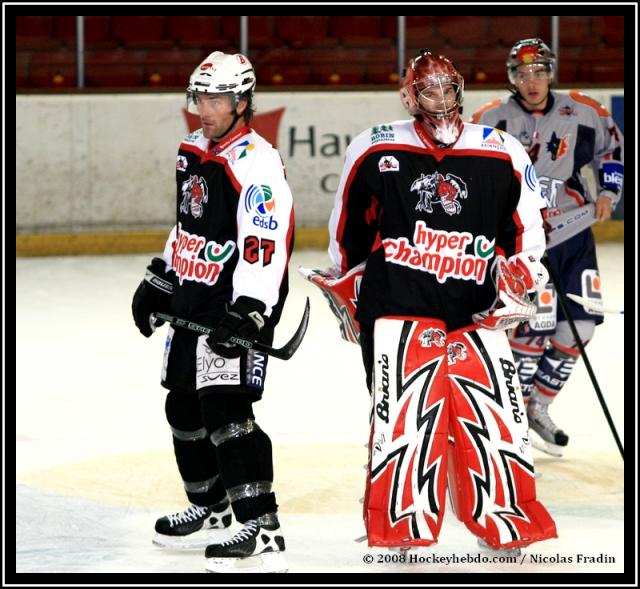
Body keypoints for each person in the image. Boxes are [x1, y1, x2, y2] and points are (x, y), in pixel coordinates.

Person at [325, 49, 557, 550]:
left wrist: (523, 274)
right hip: (399, 304)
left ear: (460, 91)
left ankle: (504, 522)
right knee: (403, 421)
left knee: (495, 419)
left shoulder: (500, 149)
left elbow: (526, 229)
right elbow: (349, 228)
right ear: (410, 96)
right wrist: (347, 284)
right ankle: (401, 528)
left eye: (448, 88)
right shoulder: (373, 147)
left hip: (476, 308)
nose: (441, 99)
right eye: (429, 90)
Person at [131, 51, 293, 574]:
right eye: (200, 96)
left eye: (217, 98)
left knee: (228, 414)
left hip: (234, 305)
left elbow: (265, 244)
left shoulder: (257, 162)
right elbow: (188, 223)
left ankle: (263, 528)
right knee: (183, 408)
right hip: (193, 299)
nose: (205, 107)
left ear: (242, 102)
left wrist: (250, 310)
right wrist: (161, 279)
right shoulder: (192, 148)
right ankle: (213, 509)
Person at [471, 38, 624, 457]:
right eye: (522, 74)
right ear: (511, 78)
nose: (532, 81)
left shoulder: (585, 110)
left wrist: (610, 191)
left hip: (574, 233)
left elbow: (613, 152)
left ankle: (539, 404)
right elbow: (474, 174)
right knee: (532, 329)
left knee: (583, 328)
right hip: (524, 242)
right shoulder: (491, 120)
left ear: (551, 73)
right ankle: (513, 413)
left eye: (539, 72)